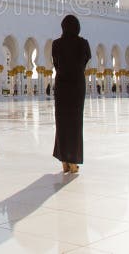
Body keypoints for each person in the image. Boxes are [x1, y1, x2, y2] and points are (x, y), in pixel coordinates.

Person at [52, 14, 91, 174]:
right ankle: (74, 161)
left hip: (62, 86)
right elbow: (86, 59)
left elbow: (56, 63)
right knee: (75, 123)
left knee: (62, 123)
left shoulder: (56, 44)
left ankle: (64, 161)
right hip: (76, 86)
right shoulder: (83, 43)